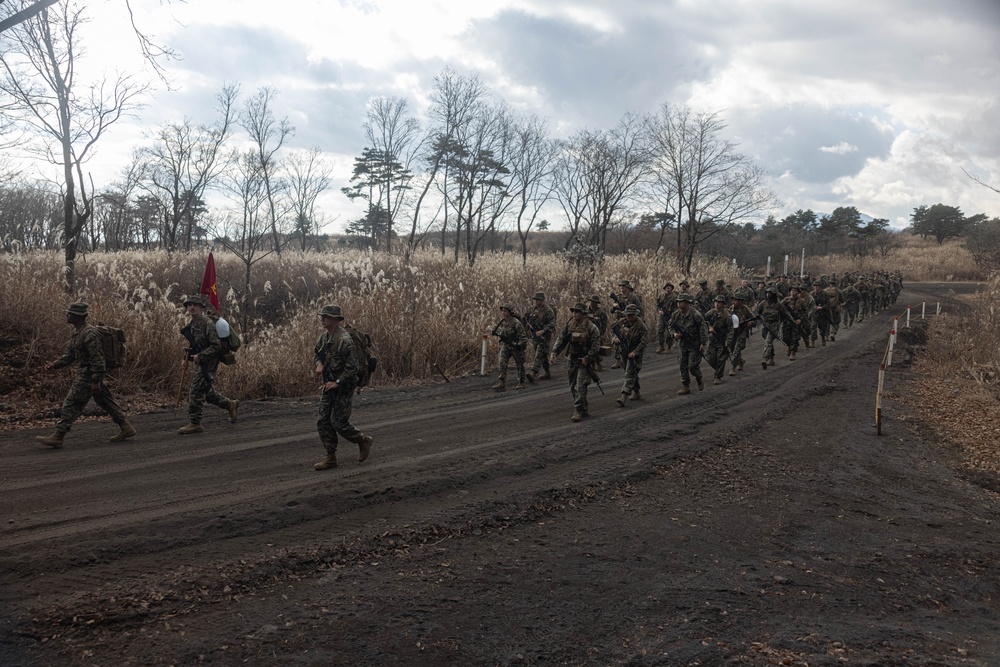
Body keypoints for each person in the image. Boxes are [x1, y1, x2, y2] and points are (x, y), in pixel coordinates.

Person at [35, 302, 136, 448]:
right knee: (105, 401)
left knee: (71, 402)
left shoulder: (90, 333)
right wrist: (55, 365)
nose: (67, 315)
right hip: (90, 372)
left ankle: (58, 436)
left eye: (69, 313)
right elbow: (70, 355)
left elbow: (98, 359)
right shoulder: (78, 333)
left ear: (78, 316)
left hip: (89, 373)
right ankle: (126, 427)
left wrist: (95, 380)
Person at [313, 304, 374, 471]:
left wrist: (338, 382)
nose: (322, 319)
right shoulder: (323, 338)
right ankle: (330, 457)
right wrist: (318, 364)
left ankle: (362, 440)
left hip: (344, 386)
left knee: (338, 422)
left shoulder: (345, 340)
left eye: (325, 316)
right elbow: (316, 354)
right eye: (322, 316)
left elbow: (353, 368)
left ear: (334, 319)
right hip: (329, 385)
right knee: (323, 420)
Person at [178, 295, 239, 434]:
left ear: (201, 308)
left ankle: (195, 423)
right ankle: (230, 404)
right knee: (206, 392)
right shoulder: (193, 324)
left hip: (210, 361)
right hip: (201, 360)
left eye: (195, 305)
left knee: (195, 390)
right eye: (189, 305)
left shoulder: (208, 323)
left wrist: (201, 355)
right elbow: (194, 344)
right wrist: (185, 358)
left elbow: (216, 346)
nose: (192, 307)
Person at [549, 303, 601, 422]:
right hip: (572, 359)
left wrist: (588, 358)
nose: (574, 314)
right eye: (573, 311)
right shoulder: (570, 325)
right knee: (573, 385)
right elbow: (562, 339)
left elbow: (595, 346)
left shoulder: (592, 328)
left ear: (583, 313)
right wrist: (554, 353)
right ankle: (584, 407)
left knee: (580, 385)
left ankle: (578, 409)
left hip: (584, 360)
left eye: (577, 312)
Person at [669, 293, 708, 395]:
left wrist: (703, 343)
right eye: (678, 302)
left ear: (687, 303)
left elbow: (703, 329)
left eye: (681, 302)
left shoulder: (696, 314)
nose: (679, 304)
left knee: (692, 366)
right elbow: (670, 326)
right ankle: (685, 386)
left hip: (694, 343)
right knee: (682, 365)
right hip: (682, 343)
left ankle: (699, 377)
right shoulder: (676, 314)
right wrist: (674, 334)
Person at [613, 303, 647, 406]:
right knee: (629, 372)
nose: (629, 317)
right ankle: (636, 391)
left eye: (631, 315)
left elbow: (643, 342)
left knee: (629, 373)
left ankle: (624, 396)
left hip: (635, 352)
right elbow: (614, 332)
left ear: (635, 314)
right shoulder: (622, 322)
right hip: (624, 350)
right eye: (627, 314)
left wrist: (635, 352)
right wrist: (615, 339)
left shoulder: (641, 326)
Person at [491, 305, 528, 392]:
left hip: (515, 346)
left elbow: (523, 337)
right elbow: (500, 332)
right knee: (502, 363)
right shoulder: (503, 322)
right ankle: (501, 381)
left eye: (505, 311)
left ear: (510, 312)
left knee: (520, 364)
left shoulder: (516, 323)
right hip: (506, 346)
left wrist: (518, 345)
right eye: (502, 311)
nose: (503, 312)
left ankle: (521, 382)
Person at [524, 291, 556, 382]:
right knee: (543, 354)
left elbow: (552, 324)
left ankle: (533, 373)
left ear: (543, 300)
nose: (537, 301)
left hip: (544, 336)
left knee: (539, 354)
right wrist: (528, 326)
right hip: (535, 336)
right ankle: (547, 372)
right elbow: (525, 318)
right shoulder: (531, 309)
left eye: (539, 300)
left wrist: (543, 331)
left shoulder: (548, 311)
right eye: (536, 300)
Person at [704, 295, 733, 384]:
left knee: (721, 358)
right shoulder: (711, 312)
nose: (717, 304)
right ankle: (718, 370)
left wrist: (728, 341)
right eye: (716, 302)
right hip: (712, 339)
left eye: (719, 302)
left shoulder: (727, 315)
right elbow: (703, 321)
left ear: (723, 304)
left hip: (721, 340)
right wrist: (709, 327)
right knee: (710, 358)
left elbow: (731, 329)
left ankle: (718, 376)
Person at [728, 294, 755, 374]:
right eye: (734, 300)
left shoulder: (745, 309)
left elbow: (754, 318)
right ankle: (741, 361)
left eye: (736, 300)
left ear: (740, 302)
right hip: (733, 332)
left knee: (737, 349)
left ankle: (733, 367)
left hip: (742, 332)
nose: (734, 302)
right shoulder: (731, 309)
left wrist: (751, 322)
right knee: (733, 349)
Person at [655, 282, 678, 353]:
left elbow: (676, 307)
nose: (668, 287)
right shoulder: (661, 296)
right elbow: (657, 305)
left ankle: (669, 347)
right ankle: (661, 346)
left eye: (669, 286)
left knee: (669, 332)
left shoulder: (675, 296)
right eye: (666, 286)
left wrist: (673, 315)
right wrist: (659, 311)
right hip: (662, 316)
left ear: (672, 288)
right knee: (659, 330)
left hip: (670, 316)